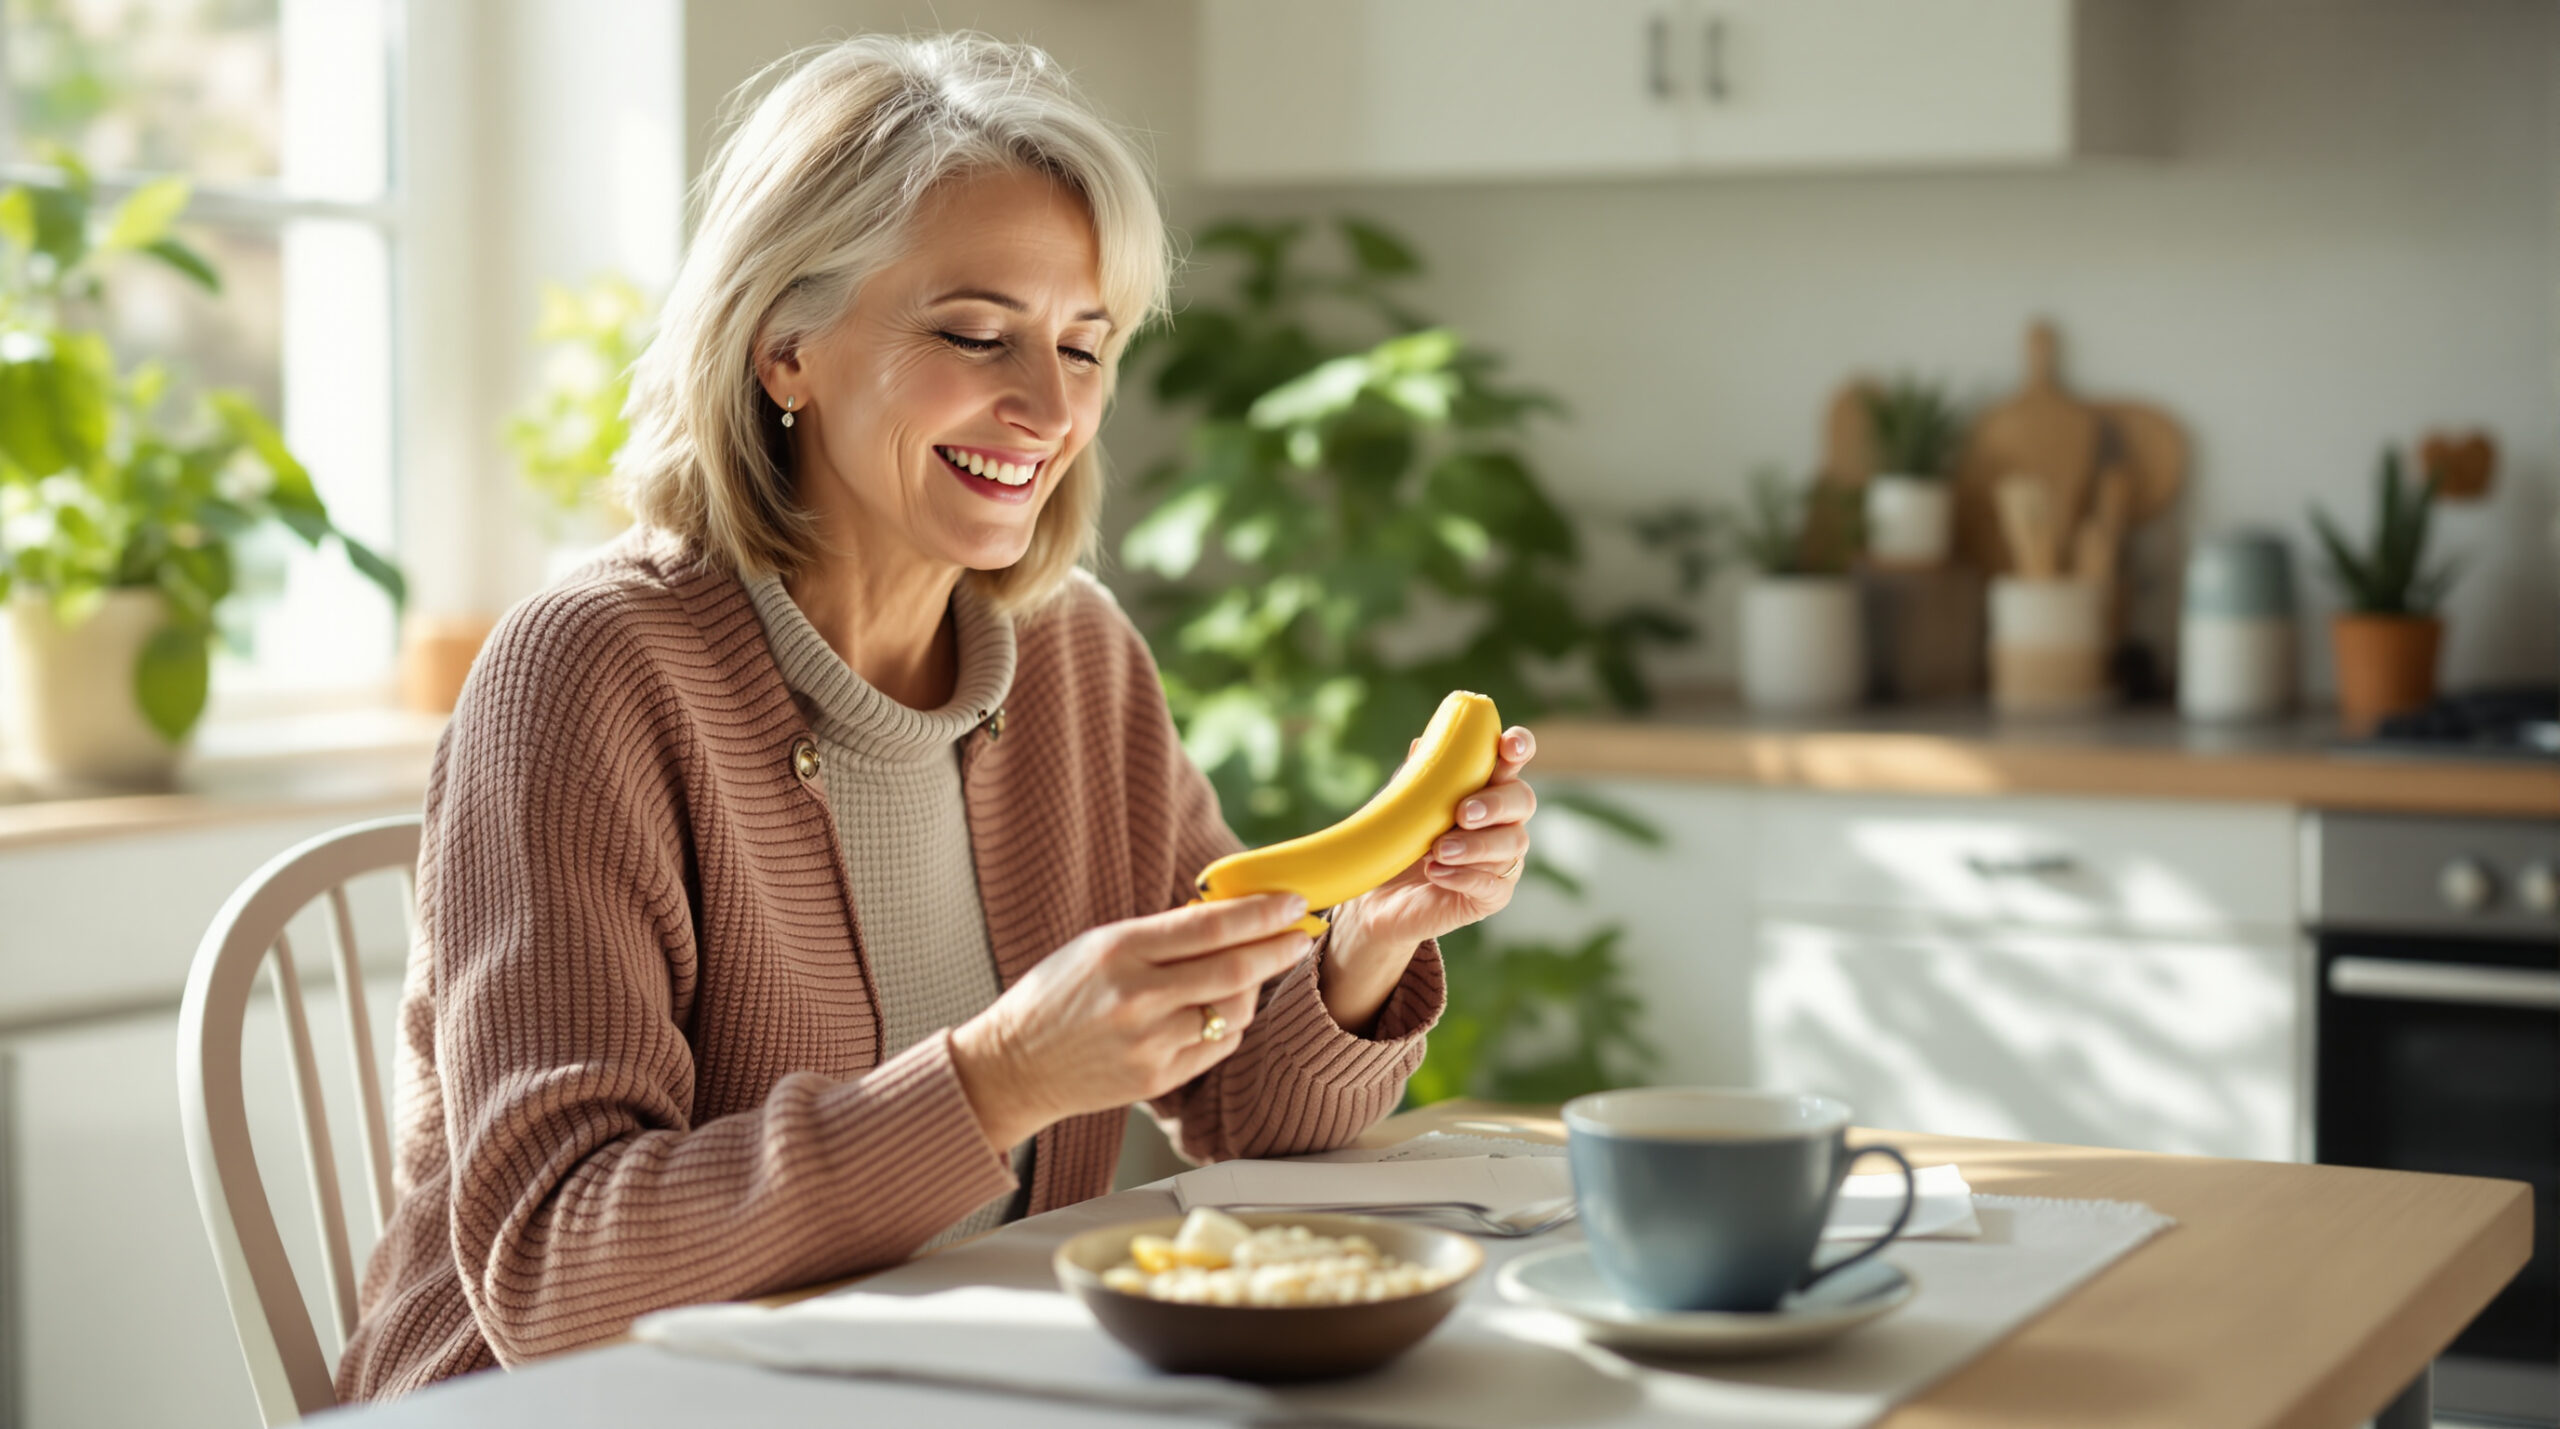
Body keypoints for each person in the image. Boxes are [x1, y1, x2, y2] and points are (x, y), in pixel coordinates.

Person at [336, 32, 1539, 1400]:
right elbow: (554, 1271)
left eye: (1085, 347)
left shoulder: (1074, 656)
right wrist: (995, 1080)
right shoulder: (589, 671)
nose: (1046, 408)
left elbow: (1247, 1112)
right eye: (976, 334)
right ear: (785, 346)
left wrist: (1364, 945)